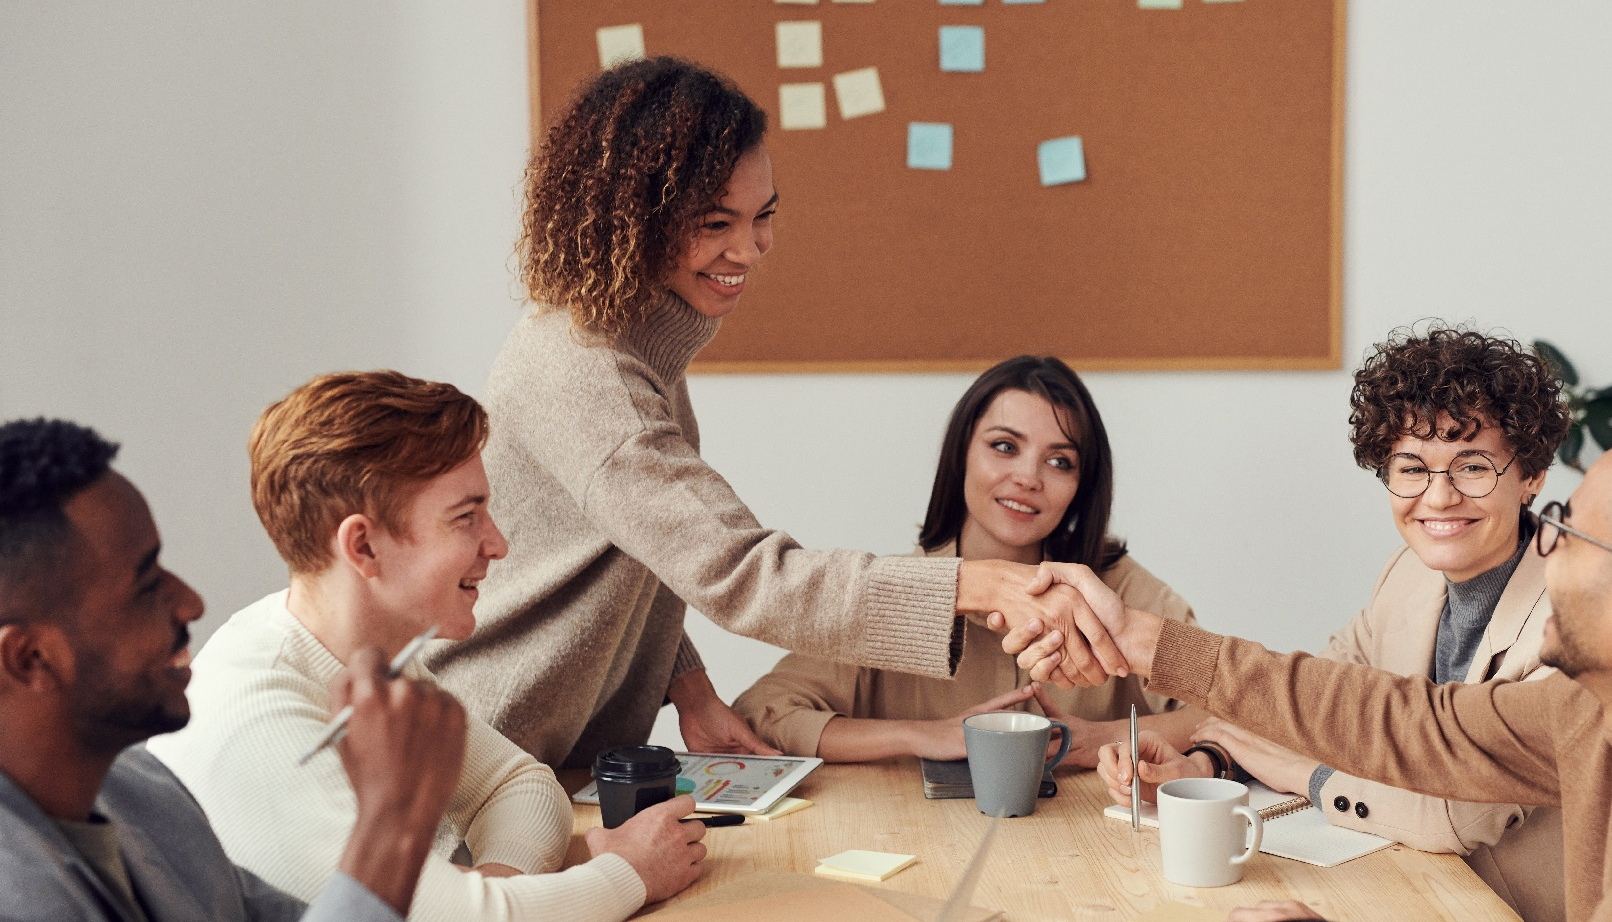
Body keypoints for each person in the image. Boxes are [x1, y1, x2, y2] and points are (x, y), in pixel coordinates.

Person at [425, 57, 1119, 770]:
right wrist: (969, 584)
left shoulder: (629, 345)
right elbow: (745, 573)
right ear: (635, 219)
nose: (749, 248)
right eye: (716, 222)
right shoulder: (591, 375)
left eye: (764, 217)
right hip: (485, 756)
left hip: (550, 758)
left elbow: (642, 548)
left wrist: (689, 687)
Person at [1017, 410, 1612, 922]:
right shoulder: (1597, 707)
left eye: (1567, 530)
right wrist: (1148, 642)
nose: (1543, 549)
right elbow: (1408, 722)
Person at [147, 372, 707, 922]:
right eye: (466, 517)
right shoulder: (261, 719)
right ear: (362, 546)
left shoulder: (368, 654)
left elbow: (520, 784)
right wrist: (628, 872)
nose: (499, 544)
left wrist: (493, 891)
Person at [1098, 327, 1569, 922]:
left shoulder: (1570, 618)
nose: (1439, 496)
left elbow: (1455, 814)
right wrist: (1210, 763)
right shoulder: (1408, 574)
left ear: (1531, 474)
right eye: (1412, 468)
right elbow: (1318, 702)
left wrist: (1304, 775)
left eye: (1472, 467)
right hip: (1409, 888)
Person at [0, 417, 466, 921]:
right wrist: (392, 821)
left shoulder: (144, 792)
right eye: (146, 584)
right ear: (31, 660)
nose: (192, 603)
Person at [734, 356, 1202, 766]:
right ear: (961, 454)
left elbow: (1235, 712)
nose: (1027, 477)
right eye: (1004, 447)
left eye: (1059, 462)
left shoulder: (1122, 591)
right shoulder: (895, 593)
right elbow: (762, 712)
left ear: (1083, 487)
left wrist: (1109, 736)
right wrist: (922, 735)